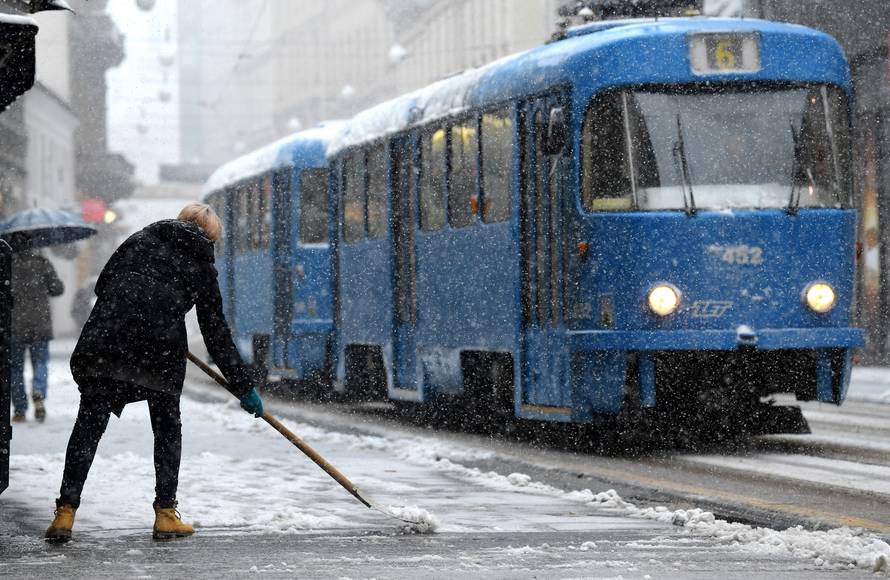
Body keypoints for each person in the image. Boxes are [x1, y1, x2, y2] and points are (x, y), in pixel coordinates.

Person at [45, 204, 264, 542]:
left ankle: (65, 513)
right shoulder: (201, 262)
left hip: (106, 338)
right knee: (166, 428)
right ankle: (165, 514)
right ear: (210, 235)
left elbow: (103, 286)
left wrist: (136, 310)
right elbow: (215, 331)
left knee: (88, 426)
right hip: (158, 350)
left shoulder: (138, 239)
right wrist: (243, 386)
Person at [10, 240, 64, 423]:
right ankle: (38, 391)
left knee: (15, 368)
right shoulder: (42, 263)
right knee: (40, 362)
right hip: (40, 324)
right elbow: (57, 289)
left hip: (14, 324)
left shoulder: (7, 265)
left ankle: (19, 409)